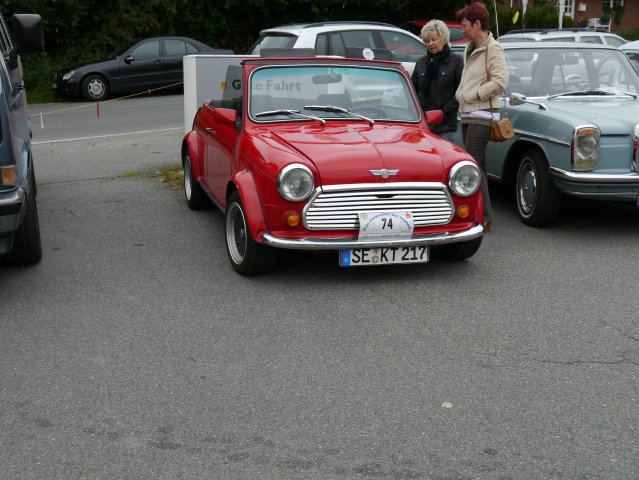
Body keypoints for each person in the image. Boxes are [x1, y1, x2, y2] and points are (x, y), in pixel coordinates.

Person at [455, 2, 508, 232]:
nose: (462, 30)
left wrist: (475, 94)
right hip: (468, 113)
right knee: (480, 166)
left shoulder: (493, 48)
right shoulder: (470, 48)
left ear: (477, 24)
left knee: (471, 164)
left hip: (482, 114)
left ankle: (481, 217)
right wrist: (461, 95)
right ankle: (485, 216)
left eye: (465, 25)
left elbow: (501, 81)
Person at [411, 20, 463, 142]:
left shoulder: (456, 61)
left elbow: (461, 91)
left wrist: (443, 113)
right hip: (423, 124)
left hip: (445, 125)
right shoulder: (421, 63)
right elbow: (412, 92)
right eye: (427, 41)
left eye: (434, 39)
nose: (430, 44)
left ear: (443, 38)